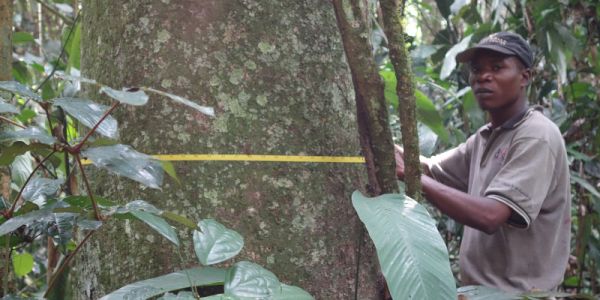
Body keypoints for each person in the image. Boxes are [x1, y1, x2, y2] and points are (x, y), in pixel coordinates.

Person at [394, 32, 571, 292]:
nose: (483, 77)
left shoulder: (536, 135)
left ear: (525, 77)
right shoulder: (486, 136)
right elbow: (431, 169)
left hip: (517, 296)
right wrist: (386, 147)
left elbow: (490, 216)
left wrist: (410, 176)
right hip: (480, 292)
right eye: (477, 70)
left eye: (497, 68)